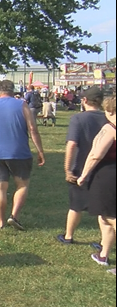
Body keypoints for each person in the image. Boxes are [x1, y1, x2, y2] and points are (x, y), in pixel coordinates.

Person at [0, 80, 45, 231]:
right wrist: (40, 151)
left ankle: (0, 222)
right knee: (22, 185)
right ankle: (14, 216)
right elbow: (32, 129)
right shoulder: (22, 105)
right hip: (19, 152)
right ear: (13, 90)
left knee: (0, 189)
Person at [57, 87, 107, 244]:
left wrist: (67, 169)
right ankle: (104, 242)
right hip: (103, 166)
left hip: (80, 166)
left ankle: (69, 236)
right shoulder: (108, 118)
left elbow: (71, 145)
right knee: (104, 208)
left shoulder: (78, 119)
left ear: (84, 100)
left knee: (76, 205)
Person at [77, 96, 116, 275]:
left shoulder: (110, 128)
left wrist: (83, 175)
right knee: (104, 216)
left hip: (109, 175)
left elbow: (95, 154)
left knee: (110, 217)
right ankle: (104, 254)